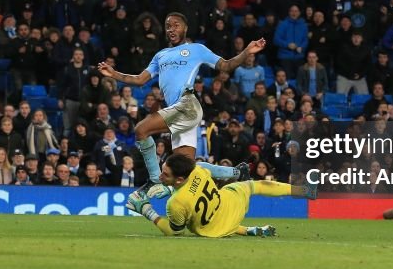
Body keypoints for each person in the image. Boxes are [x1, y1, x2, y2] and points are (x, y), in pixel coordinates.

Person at [96, 12, 258, 200]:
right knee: (186, 168)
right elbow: (140, 80)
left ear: (185, 28)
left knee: (141, 130)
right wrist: (114, 74)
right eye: (168, 26)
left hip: (187, 104)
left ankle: (155, 180)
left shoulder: (197, 49)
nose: (171, 29)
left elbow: (226, 66)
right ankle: (237, 173)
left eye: (176, 25)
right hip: (177, 111)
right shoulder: (160, 55)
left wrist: (246, 52)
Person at [125, 154, 315, 238]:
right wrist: (169, 187)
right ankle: (302, 190)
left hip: (215, 232)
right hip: (232, 206)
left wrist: (146, 209)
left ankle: (245, 230)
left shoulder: (175, 204)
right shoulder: (199, 170)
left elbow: (174, 232)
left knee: (206, 220)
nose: (160, 176)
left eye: (165, 175)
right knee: (252, 185)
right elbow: (207, 173)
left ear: (179, 179)